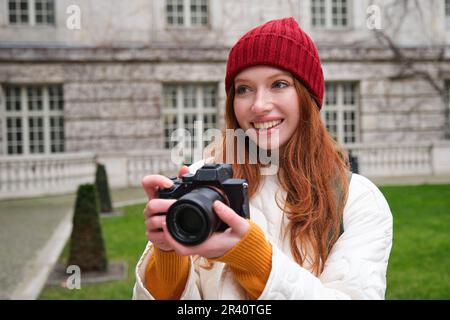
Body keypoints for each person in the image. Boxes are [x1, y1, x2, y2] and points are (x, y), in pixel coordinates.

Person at [133, 17, 393, 300]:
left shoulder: (357, 199)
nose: (258, 105)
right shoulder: (200, 182)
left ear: (308, 96)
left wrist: (255, 257)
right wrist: (168, 252)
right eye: (244, 89)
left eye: (279, 84)